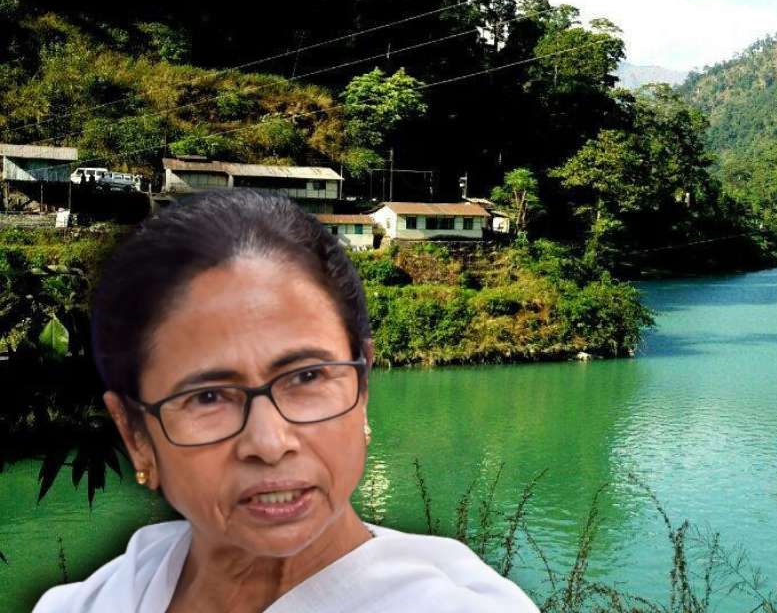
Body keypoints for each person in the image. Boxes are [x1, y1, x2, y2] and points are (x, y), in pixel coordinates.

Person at [34, 189, 540, 612]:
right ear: (136, 436)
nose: (270, 443)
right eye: (208, 396)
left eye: (307, 376)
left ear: (362, 387)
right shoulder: (96, 601)